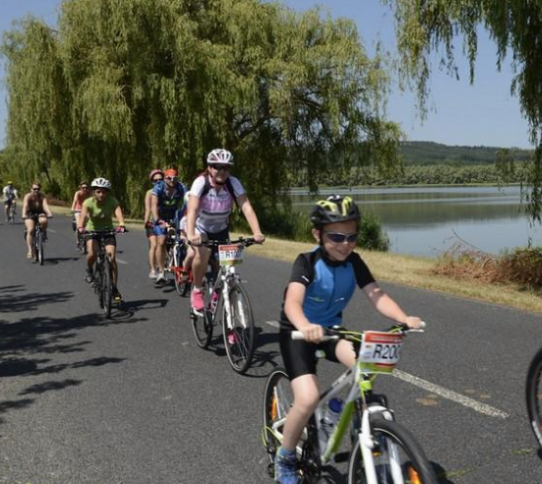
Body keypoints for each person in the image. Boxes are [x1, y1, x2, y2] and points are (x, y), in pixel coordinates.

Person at [272, 195, 425, 484]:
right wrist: (305, 325)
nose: (345, 243)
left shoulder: (354, 262)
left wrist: (403, 319)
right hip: (297, 332)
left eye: (352, 236)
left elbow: (376, 294)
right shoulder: (307, 262)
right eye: (337, 236)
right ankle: (286, 457)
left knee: (364, 366)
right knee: (306, 399)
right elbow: (292, 301)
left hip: (331, 331)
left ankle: (360, 426)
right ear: (318, 234)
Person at [185, 148, 265, 313]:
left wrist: (257, 232)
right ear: (210, 168)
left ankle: (224, 302)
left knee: (228, 268)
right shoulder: (201, 182)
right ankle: (197, 289)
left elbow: (246, 207)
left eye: (226, 167)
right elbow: (192, 209)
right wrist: (192, 234)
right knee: (203, 252)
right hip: (201, 227)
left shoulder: (233, 183)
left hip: (221, 228)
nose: (222, 171)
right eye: (217, 167)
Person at [77, 177, 127, 301]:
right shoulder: (88, 202)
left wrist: (121, 224)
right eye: (98, 191)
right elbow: (83, 216)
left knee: (111, 257)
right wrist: (80, 227)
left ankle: (114, 287)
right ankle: (89, 270)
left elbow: (118, 212)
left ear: (107, 192)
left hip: (108, 231)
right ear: (94, 192)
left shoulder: (112, 201)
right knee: (92, 253)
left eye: (104, 192)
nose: (101, 194)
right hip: (91, 230)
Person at [151, 168, 187, 283]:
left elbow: (189, 201)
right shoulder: (158, 187)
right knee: (161, 241)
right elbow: (153, 205)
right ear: (165, 178)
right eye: (169, 178)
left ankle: (180, 263)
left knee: (183, 239)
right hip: (160, 217)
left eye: (175, 178)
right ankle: (161, 272)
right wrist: (158, 220)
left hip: (174, 216)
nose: (172, 180)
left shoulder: (181, 187)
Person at [21, 182, 53, 258]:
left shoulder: (42, 196)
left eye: (38, 189)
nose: (36, 190)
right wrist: (24, 214)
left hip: (40, 213)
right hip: (30, 213)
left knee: (44, 221)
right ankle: (30, 250)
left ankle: (43, 233)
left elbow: (45, 206)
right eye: (34, 189)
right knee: (31, 230)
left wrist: (49, 213)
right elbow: (25, 206)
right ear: (31, 189)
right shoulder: (28, 196)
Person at [144, 169, 164, 279]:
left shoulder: (167, 191)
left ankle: (161, 266)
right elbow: (148, 209)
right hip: (152, 222)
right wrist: (146, 221)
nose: (158, 182)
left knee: (162, 244)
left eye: (160, 180)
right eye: (155, 180)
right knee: (154, 244)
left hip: (163, 222)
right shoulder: (149, 193)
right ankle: (152, 269)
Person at [70, 182, 91, 250]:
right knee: (79, 226)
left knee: (90, 223)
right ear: (80, 188)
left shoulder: (89, 194)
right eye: (83, 188)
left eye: (86, 188)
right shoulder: (78, 193)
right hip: (78, 210)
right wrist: (73, 208)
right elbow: (75, 200)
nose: (85, 189)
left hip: (86, 210)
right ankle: (78, 242)